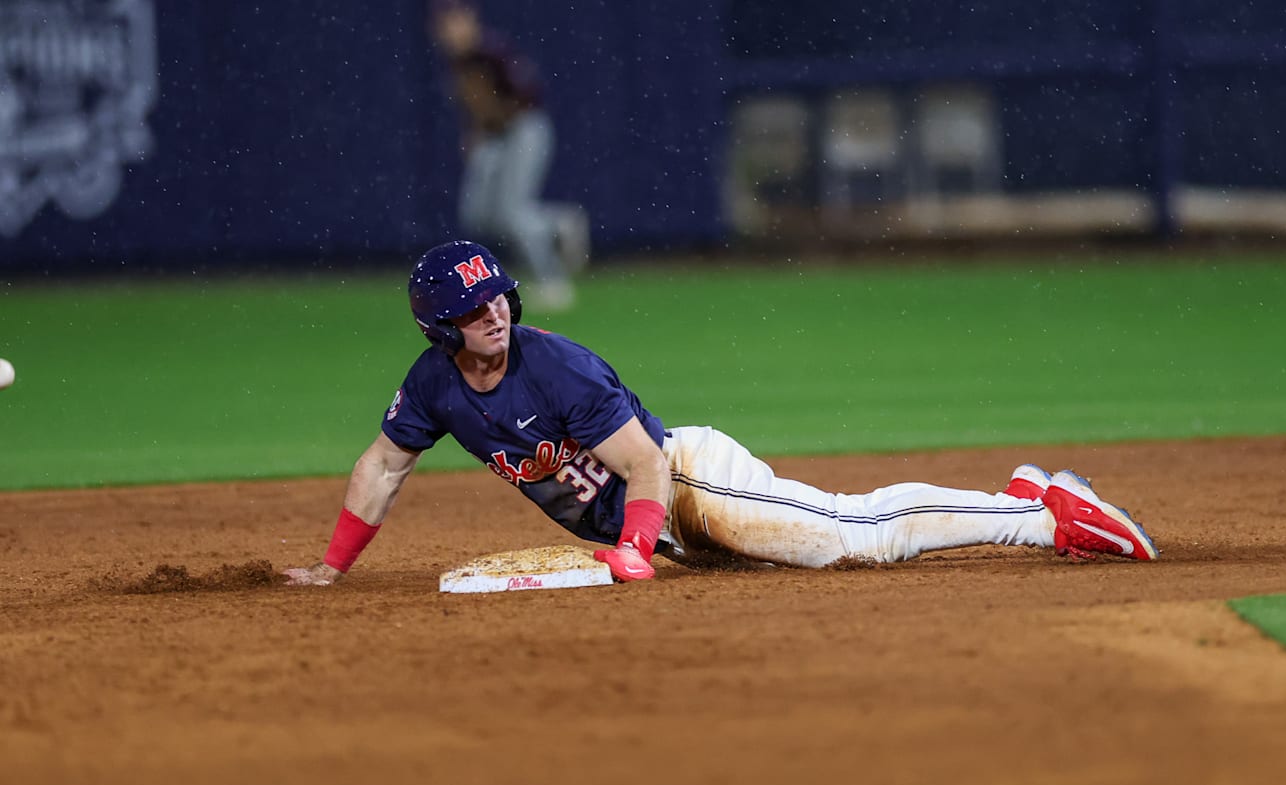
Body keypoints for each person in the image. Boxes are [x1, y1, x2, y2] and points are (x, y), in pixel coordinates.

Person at [282, 241, 1159, 588]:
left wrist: (633, 542)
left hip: (689, 482)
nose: (496, 315)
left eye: (499, 300)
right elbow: (382, 466)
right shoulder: (434, 386)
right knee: (837, 542)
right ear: (442, 331)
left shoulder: (557, 367)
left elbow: (646, 466)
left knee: (851, 538)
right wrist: (333, 566)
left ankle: (1044, 519)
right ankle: (1025, 494)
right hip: (666, 525)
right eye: (475, 313)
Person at [430, 1, 588, 312]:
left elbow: (528, 93)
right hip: (497, 138)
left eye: (458, 21)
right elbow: (477, 106)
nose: (453, 30)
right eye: (446, 24)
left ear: (471, 21)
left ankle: (554, 283)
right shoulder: (458, 60)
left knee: (514, 213)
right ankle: (558, 224)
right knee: (481, 216)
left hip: (524, 130)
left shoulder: (491, 51)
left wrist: (495, 126)